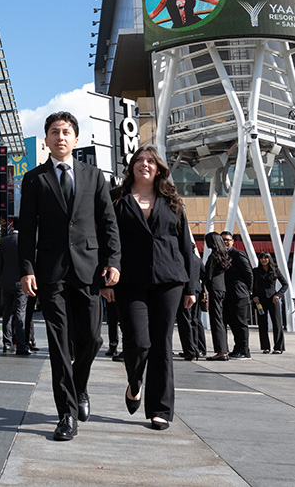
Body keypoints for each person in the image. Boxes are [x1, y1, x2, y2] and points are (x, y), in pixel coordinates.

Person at [19, 111, 121, 441]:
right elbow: (27, 230)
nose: (60, 136)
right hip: (51, 273)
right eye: (54, 132)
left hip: (89, 270)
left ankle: (80, 388)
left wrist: (113, 261)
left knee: (92, 339)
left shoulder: (94, 177)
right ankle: (67, 413)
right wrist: (27, 269)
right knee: (59, 344)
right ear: (46, 140)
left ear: (76, 140)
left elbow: (108, 223)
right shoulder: (34, 179)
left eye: (66, 132)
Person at [112, 146, 198, 431]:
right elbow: (107, 242)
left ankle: (160, 409)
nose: (144, 165)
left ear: (159, 168)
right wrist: (104, 280)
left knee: (162, 343)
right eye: (139, 160)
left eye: (150, 161)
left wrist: (191, 287)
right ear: (131, 166)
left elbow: (187, 247)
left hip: (169, 279)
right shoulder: (117, 199)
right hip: (129, 280)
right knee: (138, 341)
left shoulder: (172, 201)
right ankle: (135, 380)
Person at [0, 224, 30, 355]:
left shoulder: (5, 241)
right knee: (20, 313)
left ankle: (7, 343)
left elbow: (0, 262)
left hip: (6, 282)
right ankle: (21, 345)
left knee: (7, 313)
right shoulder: (25, 241)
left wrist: (1, 278)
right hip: (20, 283)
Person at [221, 231, 254, 359]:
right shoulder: (220, 255)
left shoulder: (238, 254)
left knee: (240, 324)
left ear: (232, 242)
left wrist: (249, 290)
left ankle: (244, 350)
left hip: (239, 294)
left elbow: (248, 273)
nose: (225, 242)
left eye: (228, 240)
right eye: (223, 240)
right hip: (228, 295)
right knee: (233, 323)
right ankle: (238, 348)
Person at [202, 231, 231, 361]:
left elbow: (208, 275)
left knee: (216, 320)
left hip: (214, 288)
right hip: (221, 288)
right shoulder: (223, 255)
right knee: (219, 319)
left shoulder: (213, 256)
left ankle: (221, 351)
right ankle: (223, 349)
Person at [252, 252, 288, 354]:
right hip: (260, 300)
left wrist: (278, 295)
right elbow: (251, 285)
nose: (264, 260)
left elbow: (285, 284)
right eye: (262, 258)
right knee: (262, 324)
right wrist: (253, 296)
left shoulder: (275, 270)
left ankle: (278, 347)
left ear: (269, 259)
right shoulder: (255, 271)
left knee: (277, 323)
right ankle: (265, 347)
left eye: (266, 258)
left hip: (273, 299)